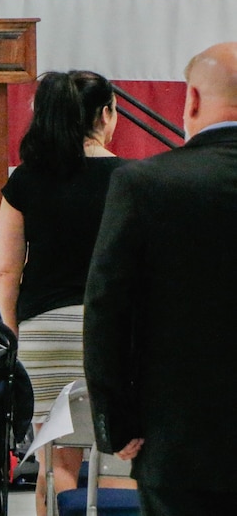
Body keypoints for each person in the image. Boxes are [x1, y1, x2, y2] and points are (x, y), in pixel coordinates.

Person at [85, 42, 237, 516]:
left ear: (192, 100)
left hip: (179, 443)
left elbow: (107, 310)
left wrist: (116, 421)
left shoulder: (146, 184)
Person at [0, 71, 121, 515]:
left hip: (44, 333)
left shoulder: (25, 180)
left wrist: (14, 333)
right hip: (109, 332)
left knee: (55, 465)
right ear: (105, 115)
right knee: (115, 460)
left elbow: (7, 270)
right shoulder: (130, 179)